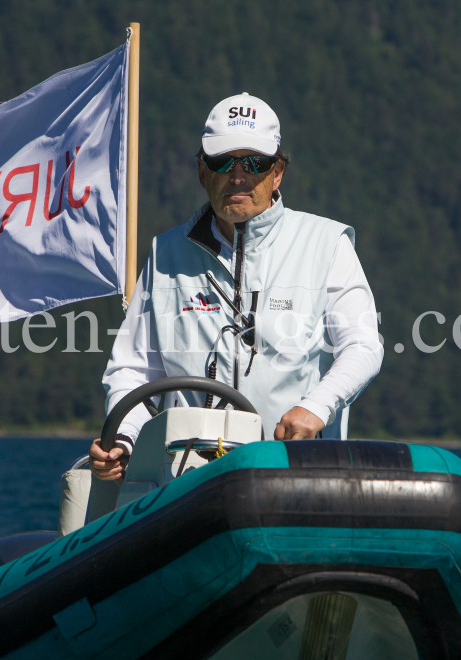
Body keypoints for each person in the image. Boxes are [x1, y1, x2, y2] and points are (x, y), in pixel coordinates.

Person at [90, 93, 383, 481]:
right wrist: (124, 439)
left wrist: (316, 407)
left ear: (277, 172)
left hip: (300, 476)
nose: (238, 175)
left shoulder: (327, 244)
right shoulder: (166, 253)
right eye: (222, 161)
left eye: (254, 163)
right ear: (202, 171)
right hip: (184, 486)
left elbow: (363, 346)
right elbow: (134, 369)